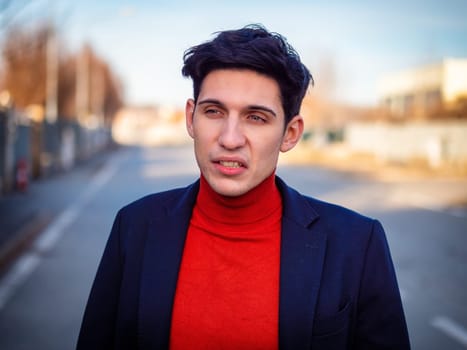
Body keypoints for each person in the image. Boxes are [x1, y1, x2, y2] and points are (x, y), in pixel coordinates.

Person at [76, 24, 410, 350]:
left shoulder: (356, 243)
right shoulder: (135, 227)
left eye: (256, 117)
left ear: (290, 133)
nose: (230, 139)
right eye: (214, 111)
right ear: (191, 118)